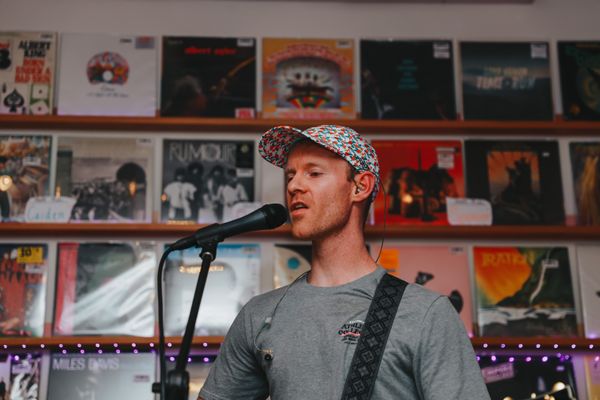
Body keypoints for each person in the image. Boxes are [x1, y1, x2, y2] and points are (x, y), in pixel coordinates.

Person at [198, 125, 490, 400]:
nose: (294, 185)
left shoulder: (426, 313)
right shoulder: (258, 314)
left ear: (360, 187)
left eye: (314, 173)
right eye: (290, 176)